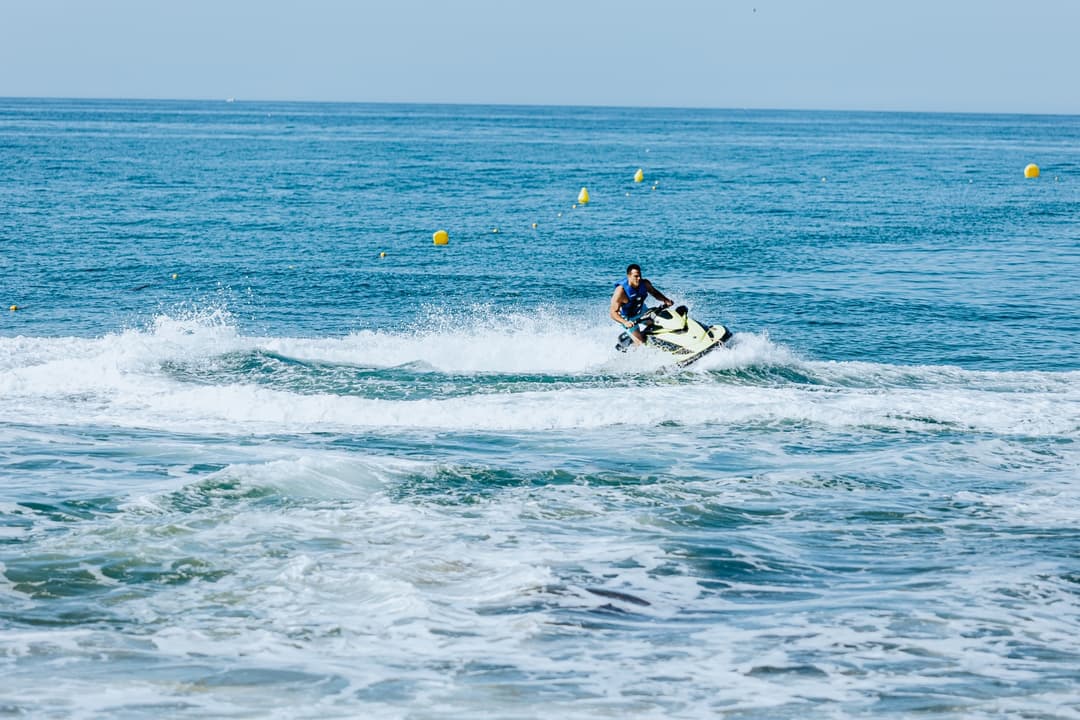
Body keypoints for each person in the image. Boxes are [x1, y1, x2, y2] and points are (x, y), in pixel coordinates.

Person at [609, 263, 673, 345]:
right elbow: (613, 313)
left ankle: (651, 339)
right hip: (628, 318)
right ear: (629, 276)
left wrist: (665, 300)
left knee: (656, 325)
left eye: (640, 276)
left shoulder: (645, 284)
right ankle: (633, 347)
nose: (639, 278)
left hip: (641, 310)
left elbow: (654, 293)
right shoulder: (620, 291)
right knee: (640, 343)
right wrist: (625, 322)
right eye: (636, 276)